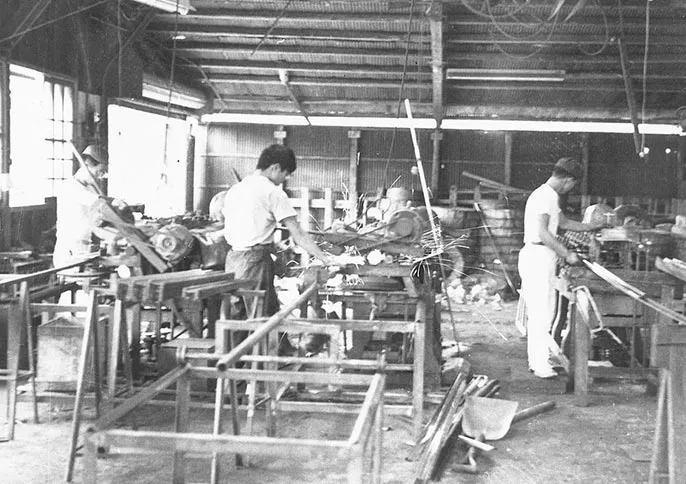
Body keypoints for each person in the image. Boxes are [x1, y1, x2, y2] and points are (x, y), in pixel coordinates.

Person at [222, 144, 334, 336]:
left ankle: (235, 355)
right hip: (254, 261)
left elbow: (245, 227)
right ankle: (264, 355)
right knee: (262, 319)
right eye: (285, 173)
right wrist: (324, 258)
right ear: (275, 167)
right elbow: (298, 233)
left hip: (233, 260)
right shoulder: (272, 192)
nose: (285, 179)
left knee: (238, 318)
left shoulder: (235, 189)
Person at [518, 157, 605, 379]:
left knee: (544, 311)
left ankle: (539, 360)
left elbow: (563, 223)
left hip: (542, 255)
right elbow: (543, 233)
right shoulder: (544, 196)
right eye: (572, 185)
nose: (571, 189)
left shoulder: (549, 196)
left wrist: (591, 226)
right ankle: (539, 365)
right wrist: (567, 254)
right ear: (568, 180)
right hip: (537, 255)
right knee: (541, 313)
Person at [53, 144, 108, 273]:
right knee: (72, 284)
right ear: (87, 165)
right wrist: (114, 203)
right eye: (100, 171)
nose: (101, 176)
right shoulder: (70, 187)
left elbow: (97, 217)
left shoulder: (90, 188)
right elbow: (98, 202)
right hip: (70, 250)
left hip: (85, 247)